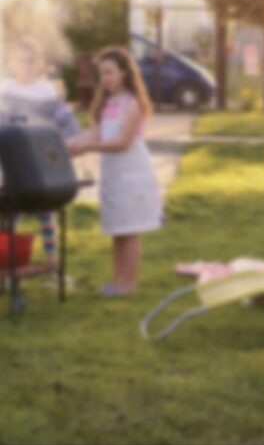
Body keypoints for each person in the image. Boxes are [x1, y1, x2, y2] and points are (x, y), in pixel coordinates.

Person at [68, 47, 162, 295]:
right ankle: (117, 282)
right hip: (113, 175)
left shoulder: (133, 103)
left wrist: (88, 147)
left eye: (110, 72)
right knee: (117, 229)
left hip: (132, 174)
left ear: (124, 73)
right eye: (102, 73)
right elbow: (95, 133)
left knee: (130, 230)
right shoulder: (109, 103)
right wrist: (72, 146)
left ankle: (128, 284)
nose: (105, 78)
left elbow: (122, 143)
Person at [0, 38, 81, 269]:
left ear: (39, 64)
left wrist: (64, 151)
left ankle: (51, 261)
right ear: (10, 62)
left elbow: (69, 128)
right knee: (9, 214)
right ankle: (7, 260)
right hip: (10, 166)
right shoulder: (4, 91)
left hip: (42, 165)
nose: (26, 65)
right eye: (20, 61)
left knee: (45, 212)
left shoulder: (47, 94)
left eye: (31, 61)